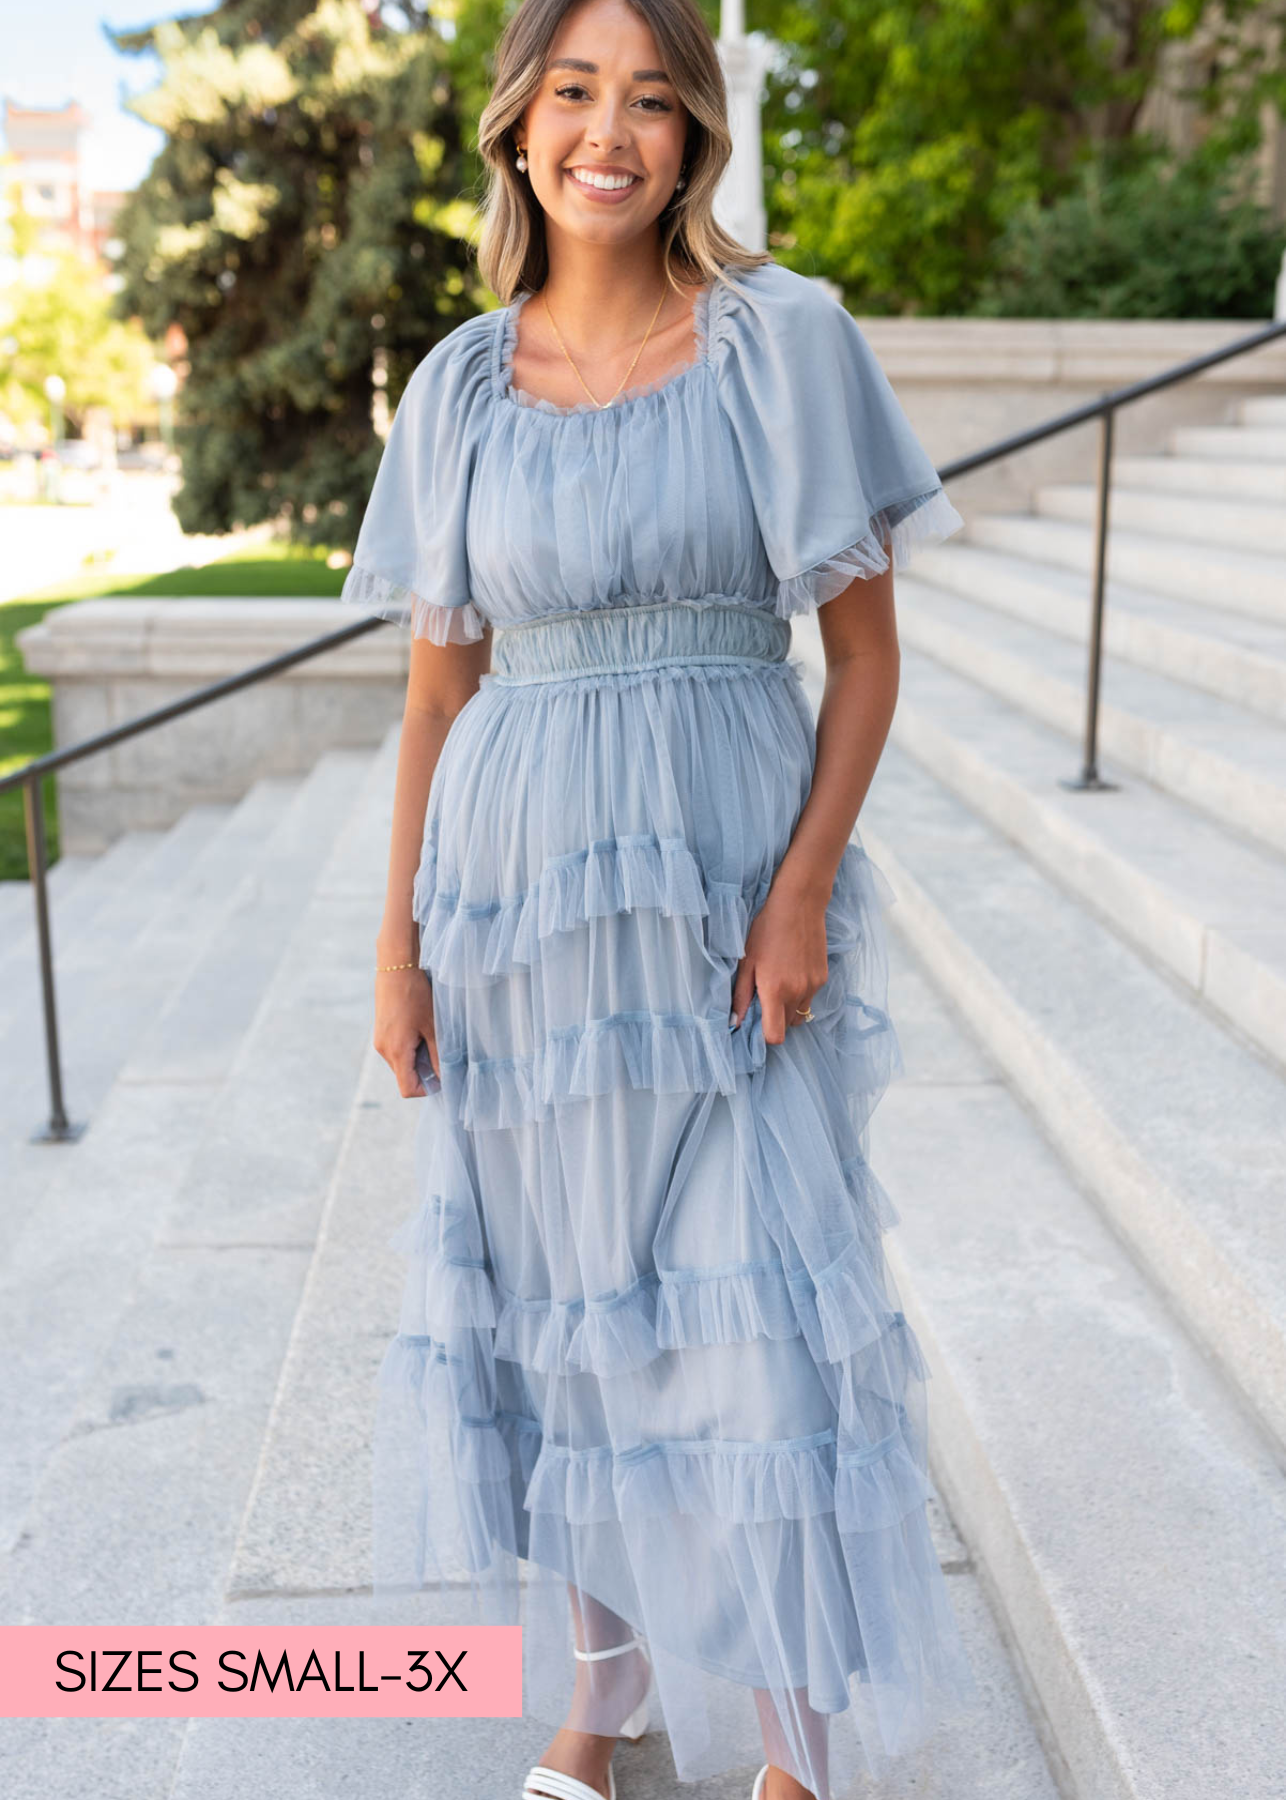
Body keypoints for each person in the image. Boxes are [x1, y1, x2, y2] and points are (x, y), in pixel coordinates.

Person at [343, 1, 980, 1796]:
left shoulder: (781, 342)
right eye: (571, 93)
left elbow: (859, 659)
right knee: (557, 1319)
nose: (605, 132)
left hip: (724, 886)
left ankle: (790, 1751)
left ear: (694, 137)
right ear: (517, 129)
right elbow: (432, 691)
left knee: (756, 1320)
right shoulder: (459, 384)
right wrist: (394, 947)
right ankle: (602, 1710)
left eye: (648, 99)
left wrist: (800, 894)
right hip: (517, 909)